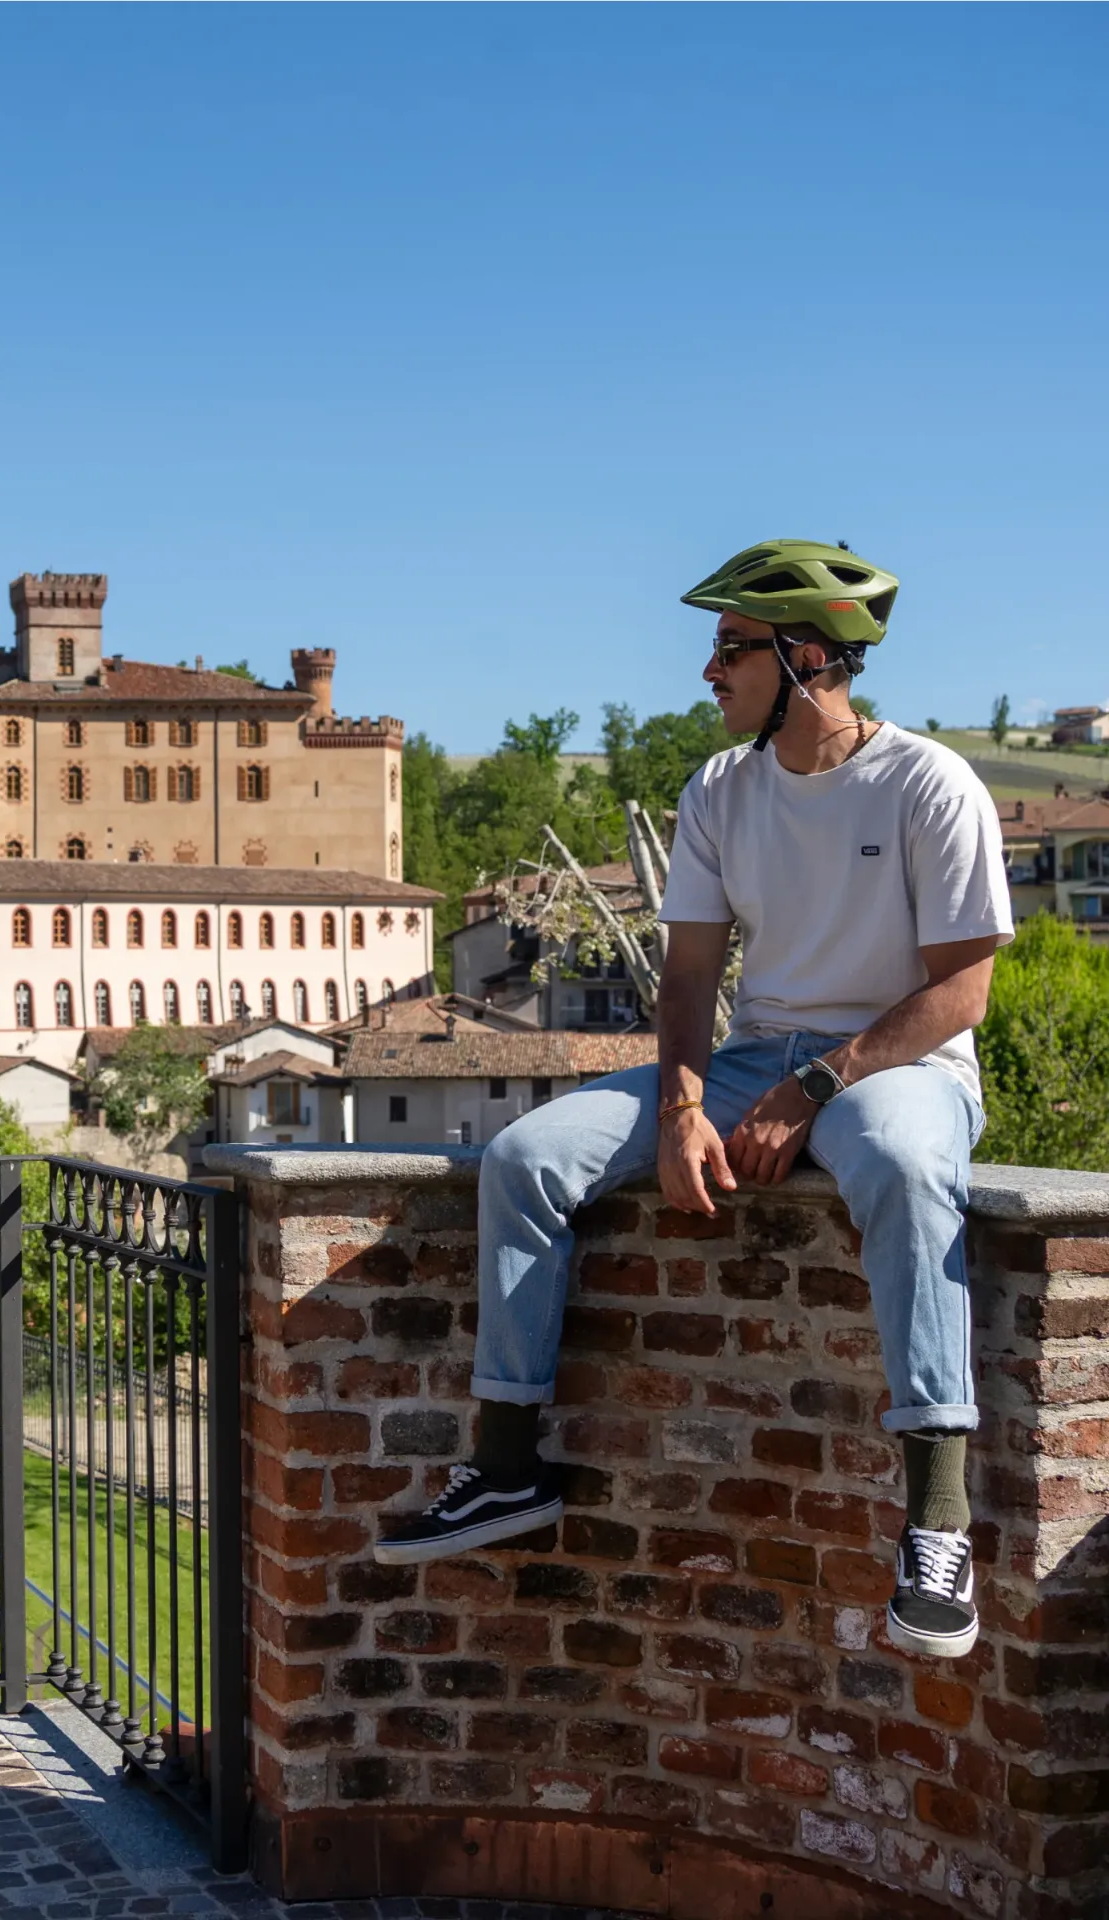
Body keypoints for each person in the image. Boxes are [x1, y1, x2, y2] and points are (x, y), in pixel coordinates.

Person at [375, 540, 1011, 1662]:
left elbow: (962, 987)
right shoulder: (719, 788)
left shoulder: (928, 783)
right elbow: (685, 980)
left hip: (899, 1065)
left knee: (907, 1170)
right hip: (753, 1055)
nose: (708, 673)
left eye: (730, 649)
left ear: (806, 656)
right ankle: (509, 1466)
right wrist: (680, 1108)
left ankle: (939, 1521)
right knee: (527, 1157)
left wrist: (819, 1086)